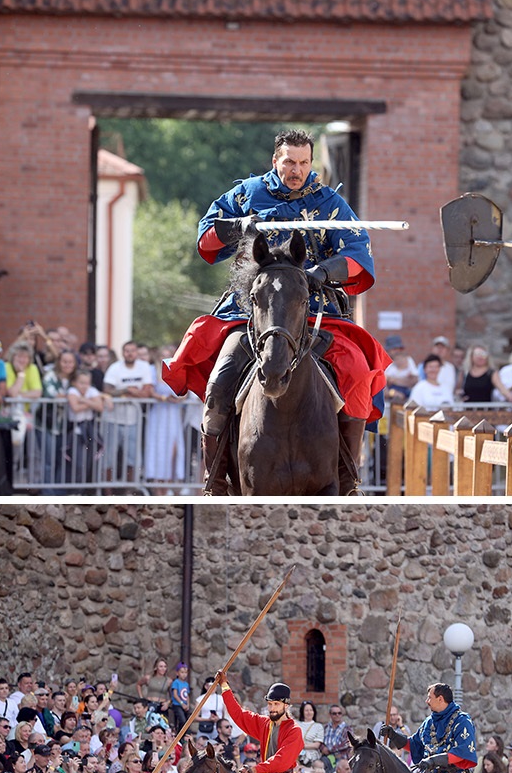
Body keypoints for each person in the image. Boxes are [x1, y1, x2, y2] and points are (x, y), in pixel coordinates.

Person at [163, 122, 386, 497]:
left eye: (303, 162)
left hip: (314, 308)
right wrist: (237, 225)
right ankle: (215, 481)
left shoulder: (329, 203)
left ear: (311, 162)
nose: (296, 170)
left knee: (358, 372)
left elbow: (357, 254)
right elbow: (206, 237)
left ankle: (347, 480)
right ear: (275, 160)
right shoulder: (247, 193)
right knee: (220, 380)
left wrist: (321, 272)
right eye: (288, 162)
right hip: (252, 311)